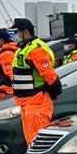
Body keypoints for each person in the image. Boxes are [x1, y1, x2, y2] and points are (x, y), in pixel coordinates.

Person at [11, 17, 61, 145]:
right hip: (26, 101)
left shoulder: (36, 49)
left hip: (37, 101)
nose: (14, 35)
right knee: (31, 141)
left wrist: (55, 90)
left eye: (16, 31)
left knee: (38, 141)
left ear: (25, 32)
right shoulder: (23, 48)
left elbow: (49, 75)